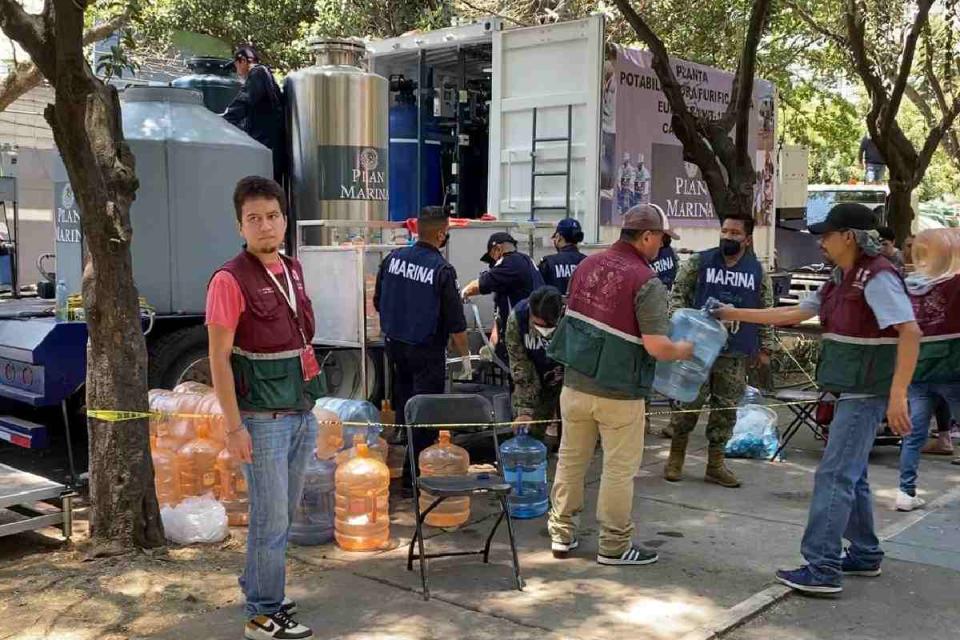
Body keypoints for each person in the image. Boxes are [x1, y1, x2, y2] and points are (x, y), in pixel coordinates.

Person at [715, 202, 920, 595]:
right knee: (853, 474)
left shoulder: (876, 278)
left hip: (865, 392)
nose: (820, 241)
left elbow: (909, 333)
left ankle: (822, 566)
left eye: (826, 235)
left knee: (833, 475)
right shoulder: (842, 275)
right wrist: (732, 312)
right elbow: (795, 312)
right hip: (851, 389)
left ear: (849, 237)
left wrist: (898, 396)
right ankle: (864, 553)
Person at [207, 176, 326, 639]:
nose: (265, 226)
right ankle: (262, 612)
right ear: (240, 226)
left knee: (283, 513)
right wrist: (235, 428)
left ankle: (261, 587)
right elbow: (218, 358)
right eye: (254, 219)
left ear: (284, 221)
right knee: (270, 517)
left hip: (299, 410)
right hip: (262, 419)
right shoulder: (228, 280)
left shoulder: (292, 268)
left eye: (272, 217)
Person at [546, 204, 694, 566]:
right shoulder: (646, 281)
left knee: (570, 461)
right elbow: (657, 346)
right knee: (618, 470)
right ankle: (613, 544)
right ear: (646, 236)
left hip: (575, 386)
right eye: (661, 238)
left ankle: (561, 534)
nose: (663, 246)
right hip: (620, 393)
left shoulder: (586, 265)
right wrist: (684, 350)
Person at [663, 215, 776, 488]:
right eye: (724, 230)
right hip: (697, 350)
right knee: (687, 404)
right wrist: (681, 326)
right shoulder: (699, 262)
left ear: (747, 239)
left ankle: (715, 465)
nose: (727, 236)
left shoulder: (757, 272)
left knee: (725, 409)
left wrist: (766, 347)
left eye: (735, 232)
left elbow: (767, 311)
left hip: (735, 352)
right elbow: (677, 296)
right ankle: (675, 458)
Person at [374, 206, 471, 482]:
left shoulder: (392, 259)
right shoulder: (442, 270)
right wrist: (465, 358)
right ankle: (415, 477)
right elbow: (456, 323)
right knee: (425, 413)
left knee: (405, 404)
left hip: (395, 346)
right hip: (426, 352)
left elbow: (378, 301)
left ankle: (404, 466)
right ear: (441, 233)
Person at [896, 229, 960, 509]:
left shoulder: (907, 285)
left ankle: (905, 492)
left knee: (913, 435)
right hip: (952, 367)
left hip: (917, 370)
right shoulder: (954, 284)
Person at [461, 232, 544, 362]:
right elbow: (500, 316)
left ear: (498, 249)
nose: (492, 266)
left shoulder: (512, 262)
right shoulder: (522, 264)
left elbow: (480, 285)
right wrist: (491, 345)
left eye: (492, 258)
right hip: (528, 334)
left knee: (523, 379)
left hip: (526, 336)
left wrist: (462, 293)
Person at [506, 285, 565, 441]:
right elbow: (520, 366)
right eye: (537, 324)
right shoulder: (517, 319)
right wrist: (525, 411)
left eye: (547, 326)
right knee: (531, 431)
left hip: (569, 378)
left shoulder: (571, 319)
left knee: (573, 435)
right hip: (536, 378)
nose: (542, 330)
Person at [223, 46, 287, 184]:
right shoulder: (267, 76)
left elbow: (244, 101)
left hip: (265, 147)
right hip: (273, 149)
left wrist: (222, 122)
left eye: (236, 65)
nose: (237, 71)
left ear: (243, 61)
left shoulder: (257, 73)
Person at [539, 219, 587, 295]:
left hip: (554, 306)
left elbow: (539, 293)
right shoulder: (587, 262)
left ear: (558, 237)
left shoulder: (548, 262)